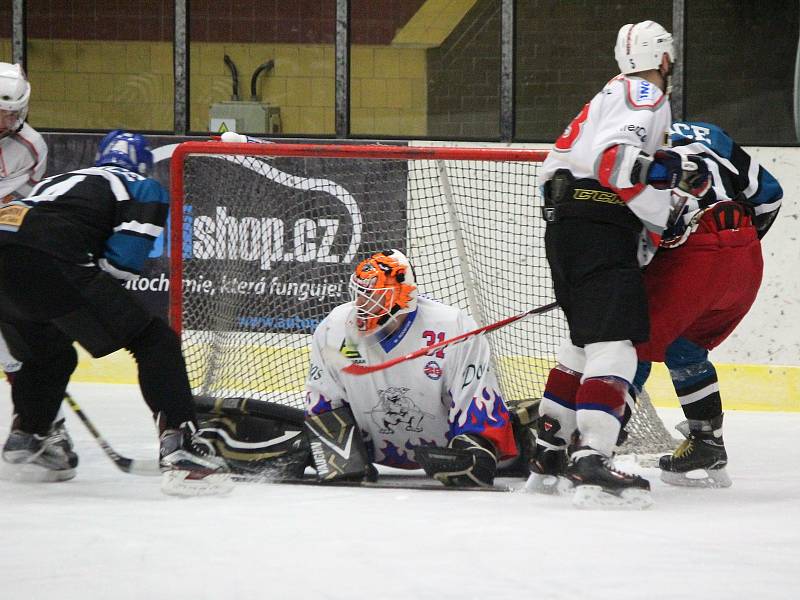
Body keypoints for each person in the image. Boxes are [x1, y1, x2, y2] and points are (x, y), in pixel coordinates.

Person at [526, 21, 711, 508]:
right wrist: (663, 209)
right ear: (664, 58)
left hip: (567, 225)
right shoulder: (644, 91)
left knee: (582, 344)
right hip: (599, 226)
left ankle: (548, 450)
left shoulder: (610, 92)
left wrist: (658, 189)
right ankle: (591, 457)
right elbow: (615, 165)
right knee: (617, 347)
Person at [0, 130, 231, 496]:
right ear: (143, 162)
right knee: (155, 341)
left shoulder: (57, 179)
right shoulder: (141, 184)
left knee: (49, 356)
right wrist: (94, 301)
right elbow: (124, 259)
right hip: (54, 257)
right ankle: (183, 450)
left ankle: (30, 436)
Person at [632, 120, 782, 488]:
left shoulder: (624, 140)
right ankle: (706, 441)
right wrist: (736, 242)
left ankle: (593, 448)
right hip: (744, 262)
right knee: (687, 347)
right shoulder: (708, 134)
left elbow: (640, 221)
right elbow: (771, 194)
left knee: (629, 343)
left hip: (691, 259)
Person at [303, 249, 518, 488]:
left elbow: (476, 398)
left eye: (374, 296)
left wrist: (477, 446)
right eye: (361, 294)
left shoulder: (454, 328)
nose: (363, 304)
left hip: (446, 447)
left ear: (402, 297)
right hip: (366, 449)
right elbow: (323, 399)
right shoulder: (335, 328)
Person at [0, 62, 48, 381]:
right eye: (1, 112)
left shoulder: (31, 147)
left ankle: (40, 418)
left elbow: (19, 207)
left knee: (18, 340)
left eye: (13, 113)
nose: (8, 120)